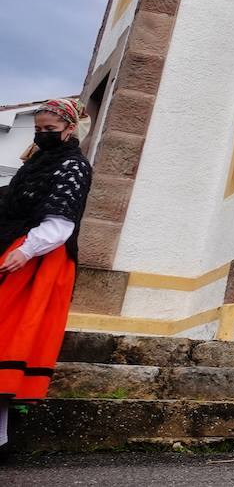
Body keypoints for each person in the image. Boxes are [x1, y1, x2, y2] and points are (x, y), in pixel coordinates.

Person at [0, 98, 91, 456]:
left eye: (49, 130)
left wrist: (25, 250)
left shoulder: (73, 166)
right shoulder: (35, 163)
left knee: (9, 341)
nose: (42, 135)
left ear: (69, 129)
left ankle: (2, 439)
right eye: (39, 130)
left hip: (36, 261)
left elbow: (61, 222)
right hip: (14, 250)